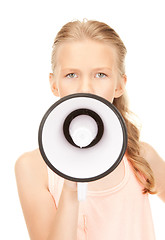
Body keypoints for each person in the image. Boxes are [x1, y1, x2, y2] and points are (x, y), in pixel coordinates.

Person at [15, 19, 165, 240]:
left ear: (119, 85)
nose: (85, 88)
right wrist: (71, 189)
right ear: (54, 84)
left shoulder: (141, 157)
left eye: (101, 75)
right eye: (71, 75)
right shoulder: (32, 168)